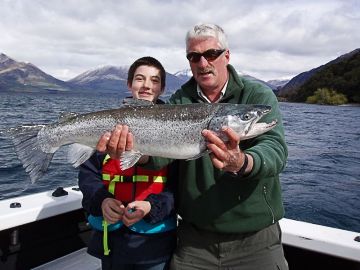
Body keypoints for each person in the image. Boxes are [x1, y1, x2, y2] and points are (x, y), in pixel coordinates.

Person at [97, 23, 289, 270]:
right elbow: (161, 158)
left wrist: (242, 163)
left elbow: (275, 149)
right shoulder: (180, 100)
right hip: (193, 241)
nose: (203, 62)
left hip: (255, 239)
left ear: (226, 55)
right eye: (194, 56)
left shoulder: (257, 96)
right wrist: (133, 152)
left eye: (211, 54)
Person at [78, 56, 177, 270]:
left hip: (155, 246)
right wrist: (102, 200)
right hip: (110, 242)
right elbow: (87, 175)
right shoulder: (108, 127)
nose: (146, 86)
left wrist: (153, 205)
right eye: (140, 79)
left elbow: (180, 186)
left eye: (154, 81)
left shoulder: (176, 132)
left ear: (162, 89)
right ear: (129, 84)